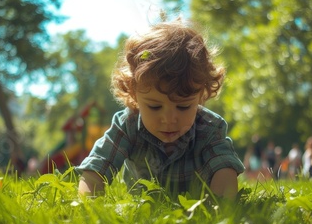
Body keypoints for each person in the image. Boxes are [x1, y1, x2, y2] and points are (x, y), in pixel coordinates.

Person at [77, 19, 245, 200]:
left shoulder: (210, 128)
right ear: (134, 95)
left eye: (183, 106)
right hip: (143, 209)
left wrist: (217, 210)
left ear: (201, 94)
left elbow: (225, 170)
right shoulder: (127, 125)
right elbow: (98, 166)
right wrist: (89, 206)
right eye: (155, 106)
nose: (169, 118)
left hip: (195, 206)